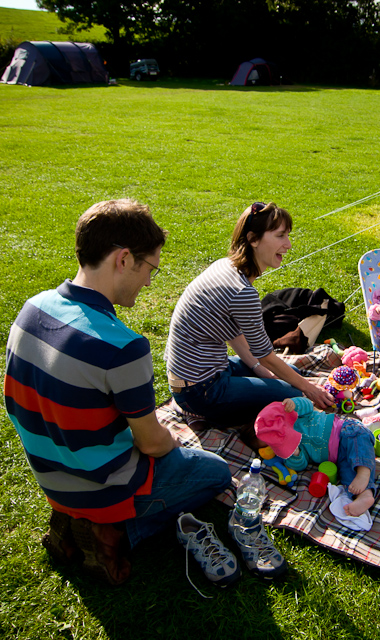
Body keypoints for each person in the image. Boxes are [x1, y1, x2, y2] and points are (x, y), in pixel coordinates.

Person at [4, 199, 236, 587]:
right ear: (124, 259)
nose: (148, 281)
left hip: (50, 475)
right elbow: (151, 445)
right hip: (104, 487)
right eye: (151, 268)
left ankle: (75, 520)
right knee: (215, 472)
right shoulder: (121, 346)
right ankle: (112, 533)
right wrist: (171, 441)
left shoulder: (31, 308)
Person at [164, 201, 334, 429]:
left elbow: (235, 336)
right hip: (199, 391)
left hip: (205, 374)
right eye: (280, 236)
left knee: (290, 375)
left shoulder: (225, 266)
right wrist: (308, 388)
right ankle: (225, 418)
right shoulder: (242, 291)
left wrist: (259, 370)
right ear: (253, 239)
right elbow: (264, 354)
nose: (289, 245)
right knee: (294, 394)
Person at [254, 397, 376, 517]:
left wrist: (293, 404)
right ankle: (365, 495)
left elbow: (308, 405)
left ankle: (364, 472)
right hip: (339, 457)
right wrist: (295, 453)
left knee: (359, 444)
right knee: (348, 475)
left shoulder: (294, 416)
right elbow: (301, 465)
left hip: (345, 431)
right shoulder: (287, 448)